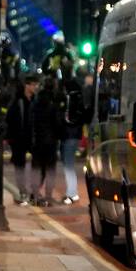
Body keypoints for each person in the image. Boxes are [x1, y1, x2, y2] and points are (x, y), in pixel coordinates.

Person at [30, 75, 64, 205]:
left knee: (37, 169)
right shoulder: (53, 105)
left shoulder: (36, 104)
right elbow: (57, 124)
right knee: (50, 170)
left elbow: (31, 122)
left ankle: (34, 194)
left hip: (38, 141)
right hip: (50, 142)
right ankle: (48, 196)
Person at [5, 75, 38, 204]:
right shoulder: (17, 101)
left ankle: (33, 190)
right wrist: (11, 137)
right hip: (19, 138)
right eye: (34, 84)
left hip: (32, 138)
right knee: (20, 166)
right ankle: (22, 191)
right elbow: (10, 119)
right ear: (27, 85)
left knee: (36, 165)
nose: (36, 87)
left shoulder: (36, 100)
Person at [60, 70, 86, 204]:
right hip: (72, 134)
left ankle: (72, 193)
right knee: (67, 163)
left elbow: (68, 118)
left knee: (68, 164)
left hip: (69, 134)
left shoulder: (71, 99)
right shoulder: (79, 99)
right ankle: (71, 192)